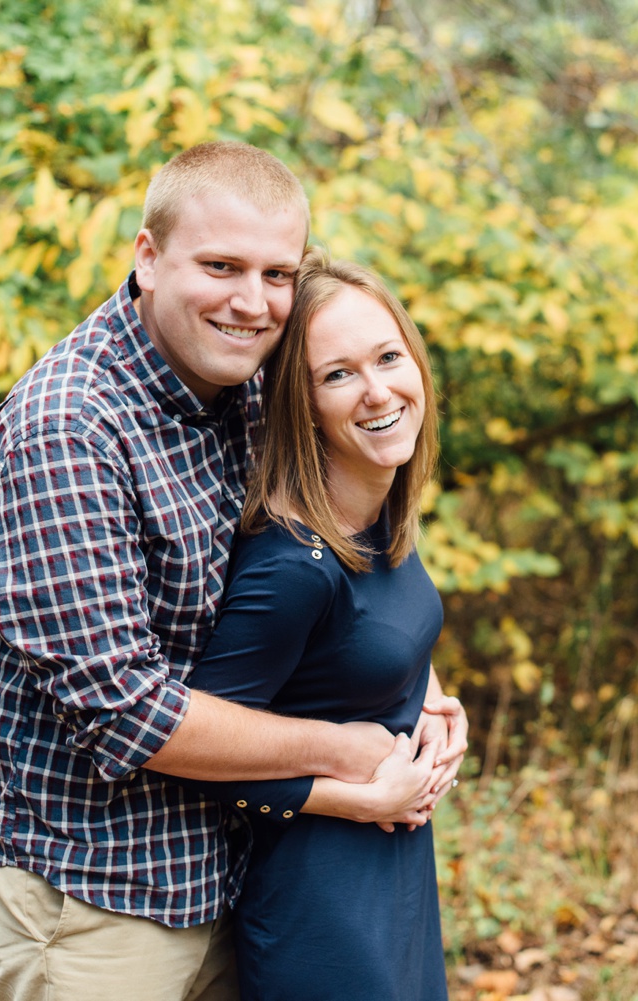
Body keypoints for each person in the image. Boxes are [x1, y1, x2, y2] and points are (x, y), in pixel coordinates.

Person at [0, 142, 466, 1001]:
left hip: (242, 869)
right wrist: (350, 753)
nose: (253, 300)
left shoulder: (259, 384)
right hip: (100, 892)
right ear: (147, 258)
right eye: (222, 266)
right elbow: (127, 710)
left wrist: (415, 689)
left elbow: (336, 571)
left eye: (277, 273)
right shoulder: (69, 430)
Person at [181, 247, 452, 1001]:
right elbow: (192, 759)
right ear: (302, 407)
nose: (377, 391)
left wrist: (429, 696)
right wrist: (358, 797)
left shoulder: (380, 509)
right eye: (338, 374)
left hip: (393, 876)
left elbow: (360, 646)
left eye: (388, 356)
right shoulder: (293, 562)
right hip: (319, 905)